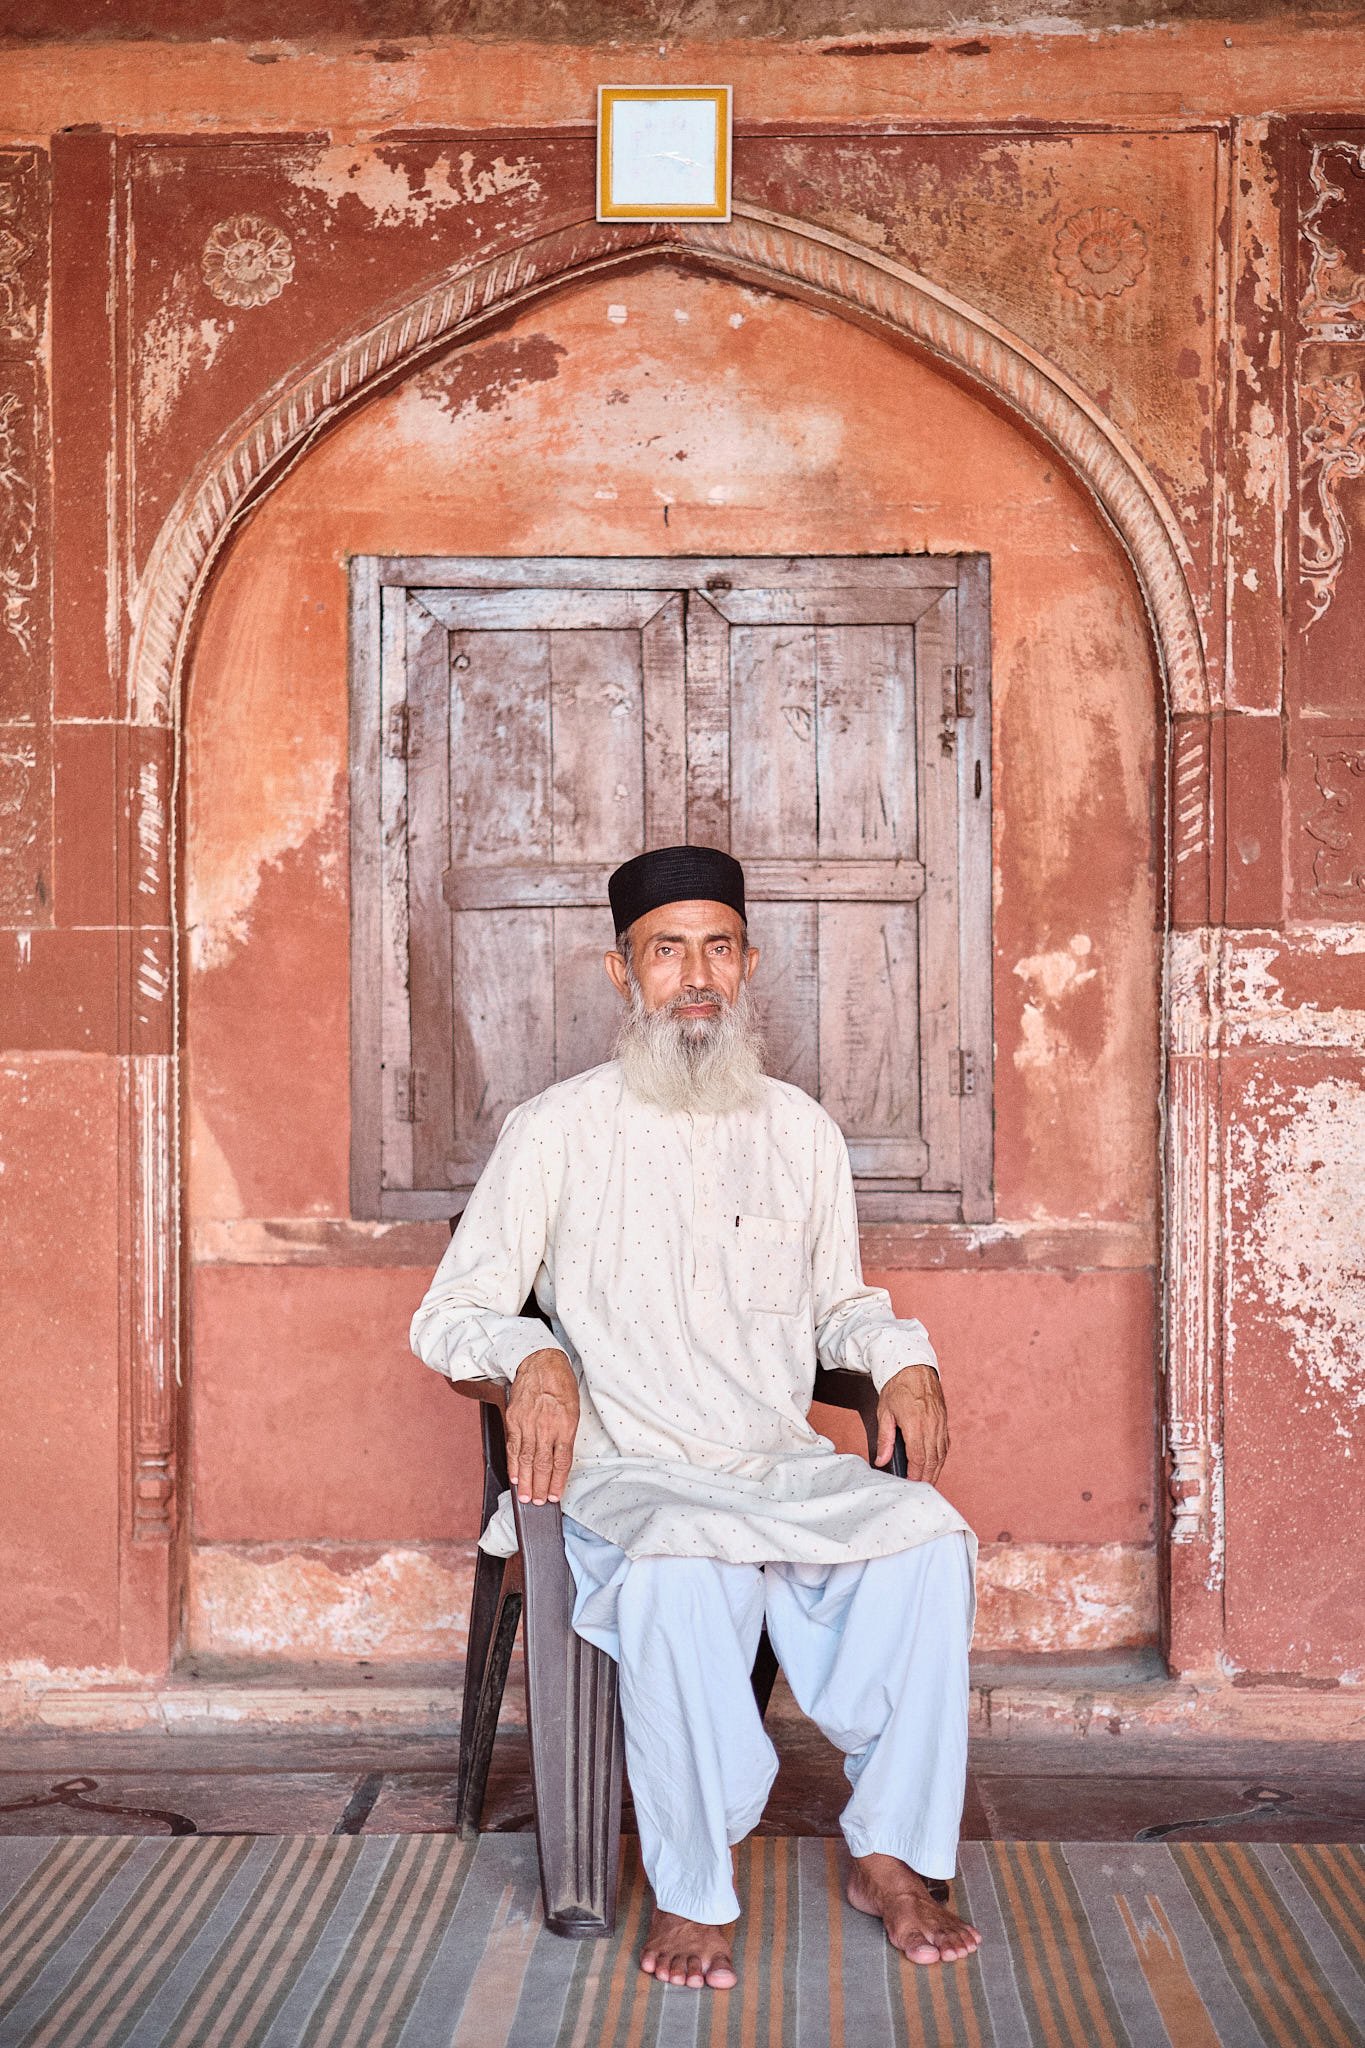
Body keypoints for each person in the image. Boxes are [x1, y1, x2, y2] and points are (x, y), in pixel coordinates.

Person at [411, 844, 981, 1991]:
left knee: (930, 1540)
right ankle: (693, 1879)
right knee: (677, 1571)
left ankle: (889, 1850)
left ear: (749, 962)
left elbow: (839, 1305)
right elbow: (452, 1313)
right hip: (630, 1466)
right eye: (666, 950)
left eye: (718, 946)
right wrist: (532, 1354)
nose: (697, 974)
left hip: (772, 1460)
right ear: (623, 971)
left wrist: (901, 1355)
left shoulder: (800, 1130)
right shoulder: (554, 1129)